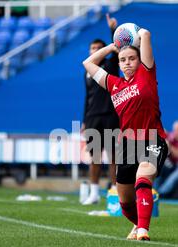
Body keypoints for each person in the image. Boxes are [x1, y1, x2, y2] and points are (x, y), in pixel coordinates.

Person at [83, 27, 169, 241]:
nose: (128, 62)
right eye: (123, 60)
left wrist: (135, 35)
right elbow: (88, 63)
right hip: (128, 145)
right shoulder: (114, 84)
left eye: (132, 58)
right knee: (124, 202)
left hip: (151, 138)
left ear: (140, 60)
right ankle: (137, 224)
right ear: (118, 64)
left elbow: (147, 34)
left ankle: (143, 230)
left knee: (143, 178)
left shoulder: (146, 74)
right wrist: (112, 47)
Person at [81, 14, 119, 205]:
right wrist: (84, 120)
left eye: (98, 48)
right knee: (94, 157)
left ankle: (115, 192)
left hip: (111, 116)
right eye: (92, 48)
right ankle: (94, 193)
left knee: (113, 156)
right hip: (93, 117)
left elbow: (118, 52)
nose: (95, 51)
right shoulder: (87, 73)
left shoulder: (110, 66)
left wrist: (113, 30)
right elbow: (87, 98)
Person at [154, 121, 178, 198]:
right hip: (173, 166)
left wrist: (167, 143)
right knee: (156, 169)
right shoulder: (170, 137)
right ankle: (153, 191)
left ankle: (159, 194)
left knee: (172, 180)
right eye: (176, 129)